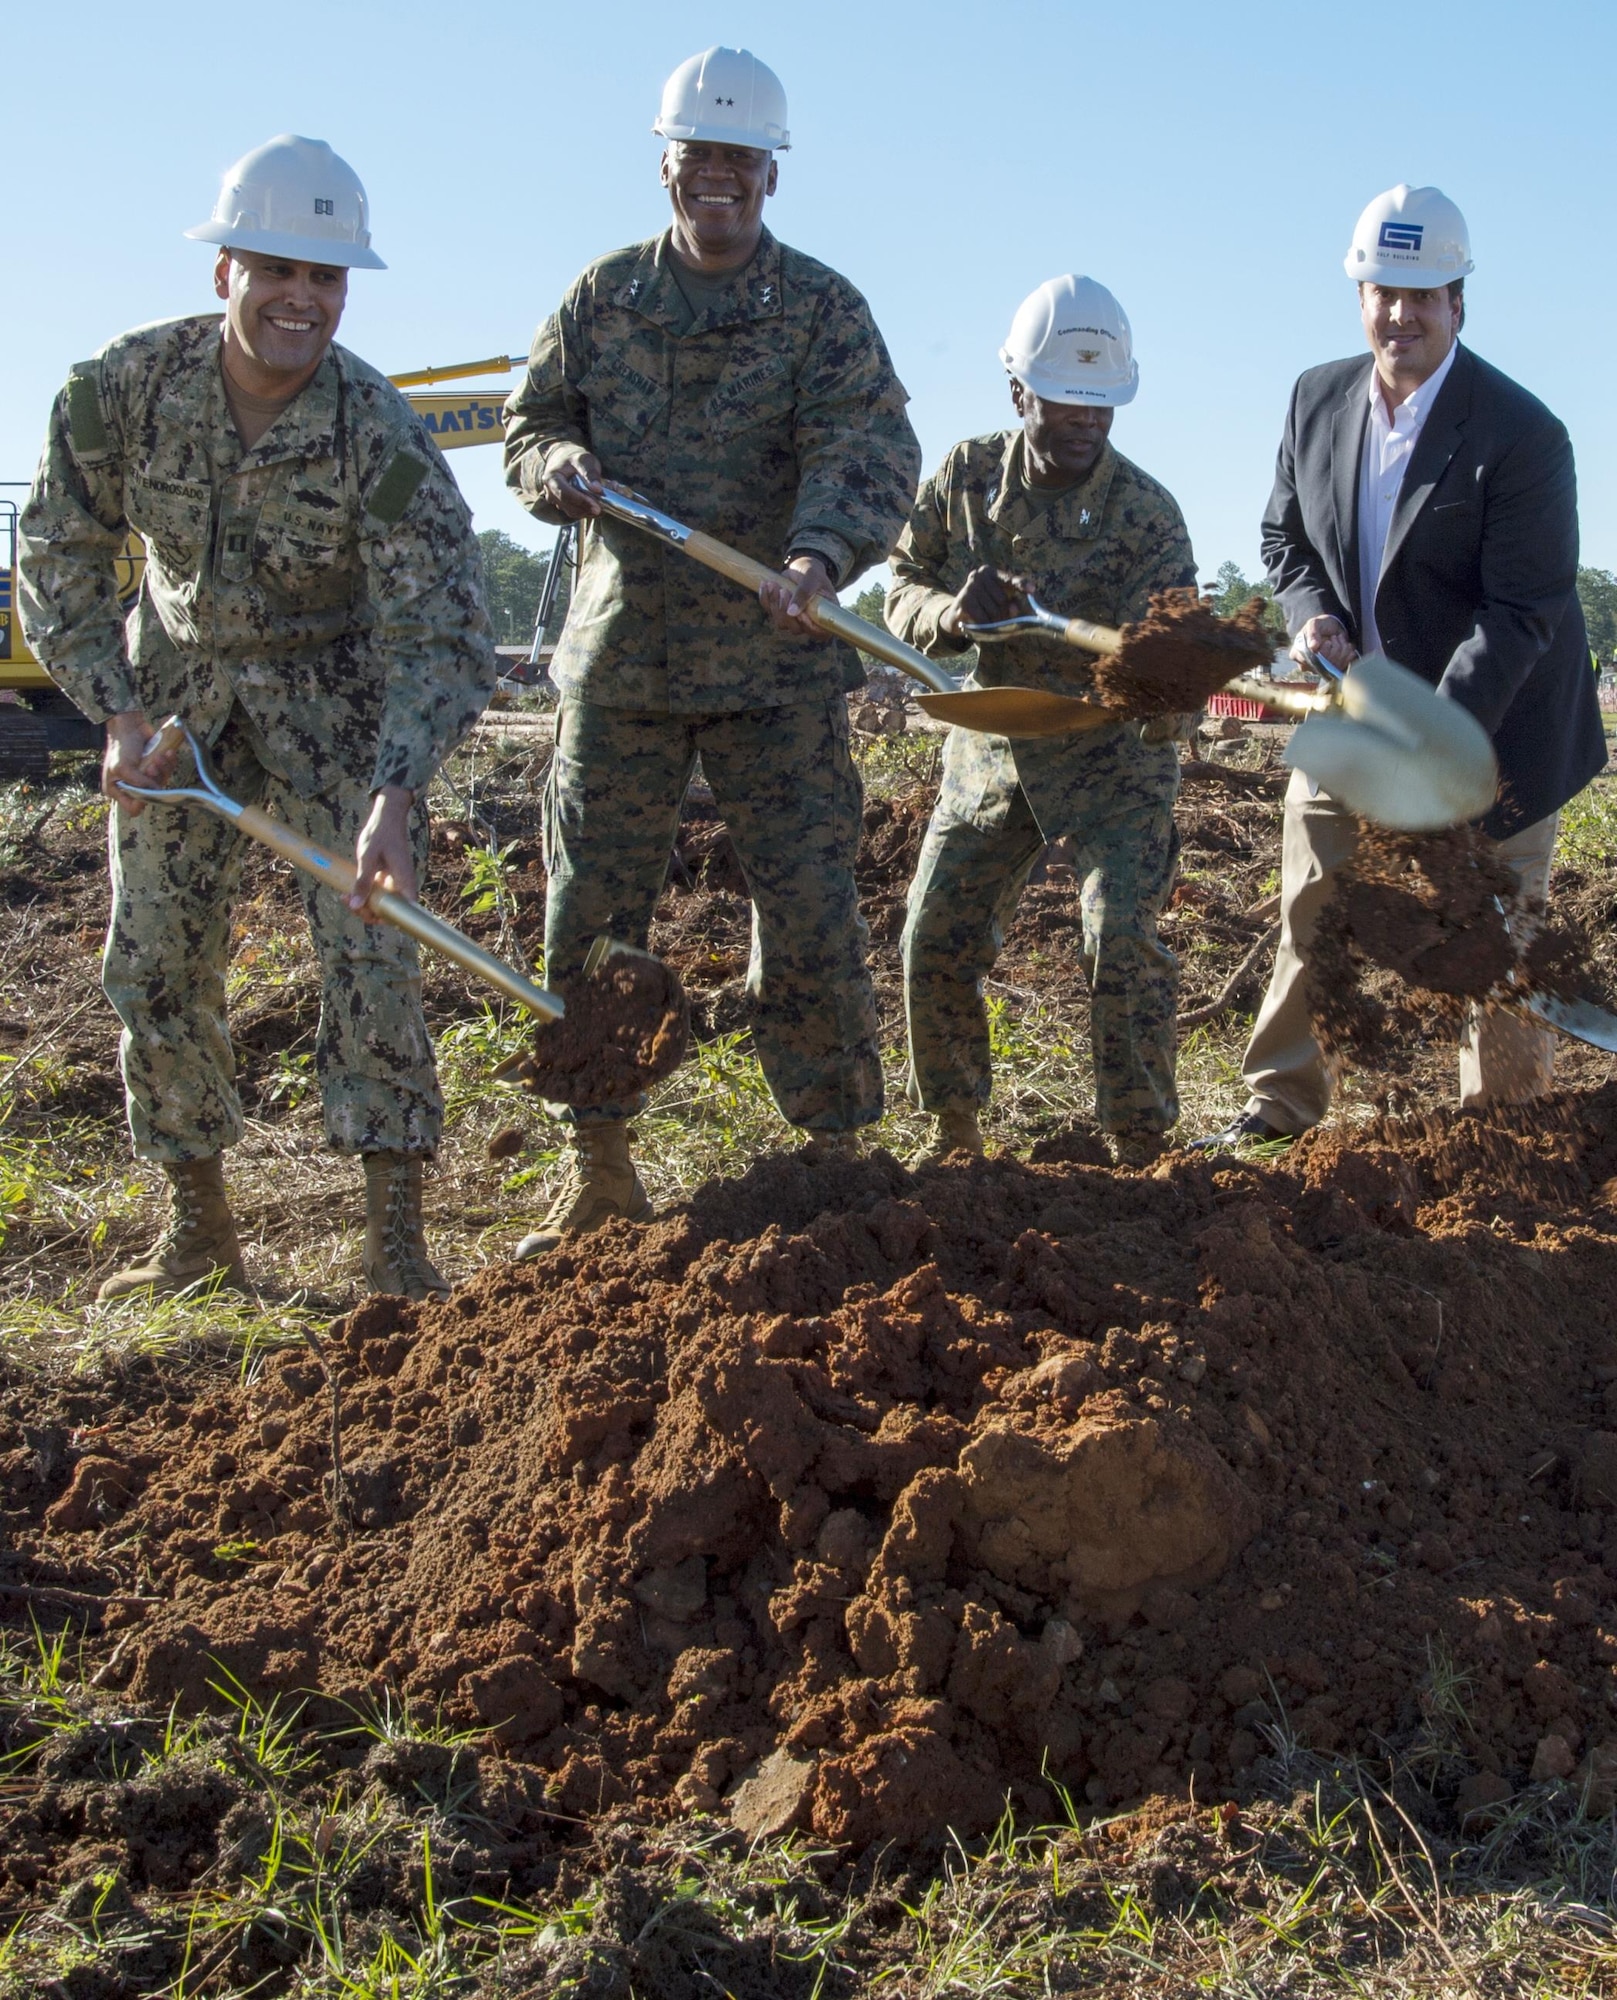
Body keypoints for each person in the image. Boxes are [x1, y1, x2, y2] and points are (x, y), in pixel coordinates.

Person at [19, 135, 496, 1301]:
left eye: (325, 279)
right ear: (224, 269)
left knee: (372, 944)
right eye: (279, 269)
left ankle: (394, 1244)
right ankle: (198, 1235)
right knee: (158, 957)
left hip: (336, 695)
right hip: (175, 693)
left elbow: (444, 628)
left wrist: (394, 793)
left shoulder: (380, 433)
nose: (303, 299)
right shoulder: (119, 390)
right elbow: (57, 551)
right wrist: (114, 713)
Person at [503, 45, 920, 1256]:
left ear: (771, 176)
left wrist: (823, 555)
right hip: (623, 662)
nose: (720, 181)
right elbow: (533, 426)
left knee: (809, 907)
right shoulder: (600, 298)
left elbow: (871, 448)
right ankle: (599, 1165)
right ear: (666, 166)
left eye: (743, 161)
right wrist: (556, 471)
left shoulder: (824, 311)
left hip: (775, 666)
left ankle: (835, 1150)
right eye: (700, 160)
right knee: (592, 913)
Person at [1200, 185, 1606, 1148]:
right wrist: (1313, 616)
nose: (1399, 314)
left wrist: (1432, 746)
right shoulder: (1315, 398)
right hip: (1352, 713)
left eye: (1422, 295)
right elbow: (1282, 535)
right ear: (1358, 292)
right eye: (1383, 290)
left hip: (1494, 732)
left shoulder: (1521, 434)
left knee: (1496, 945)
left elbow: (1520, 612)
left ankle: (1498, 1135)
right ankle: (1281, 1105)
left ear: (1458, 301)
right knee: (1311, 907)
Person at [887, 277, 1196, 1169]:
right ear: (1018, 389)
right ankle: (954, 1135)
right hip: (992, 744)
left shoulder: (1147, 513)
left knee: (1119, 939)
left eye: (1104, 402)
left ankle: (1139, 1144)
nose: (1087, 419)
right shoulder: (965, 477)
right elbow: (901, 584)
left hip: (1112, 758)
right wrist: (950, 614)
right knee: (932, 935)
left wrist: (1167, 685)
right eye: (1067, 398)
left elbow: (1175, 673)